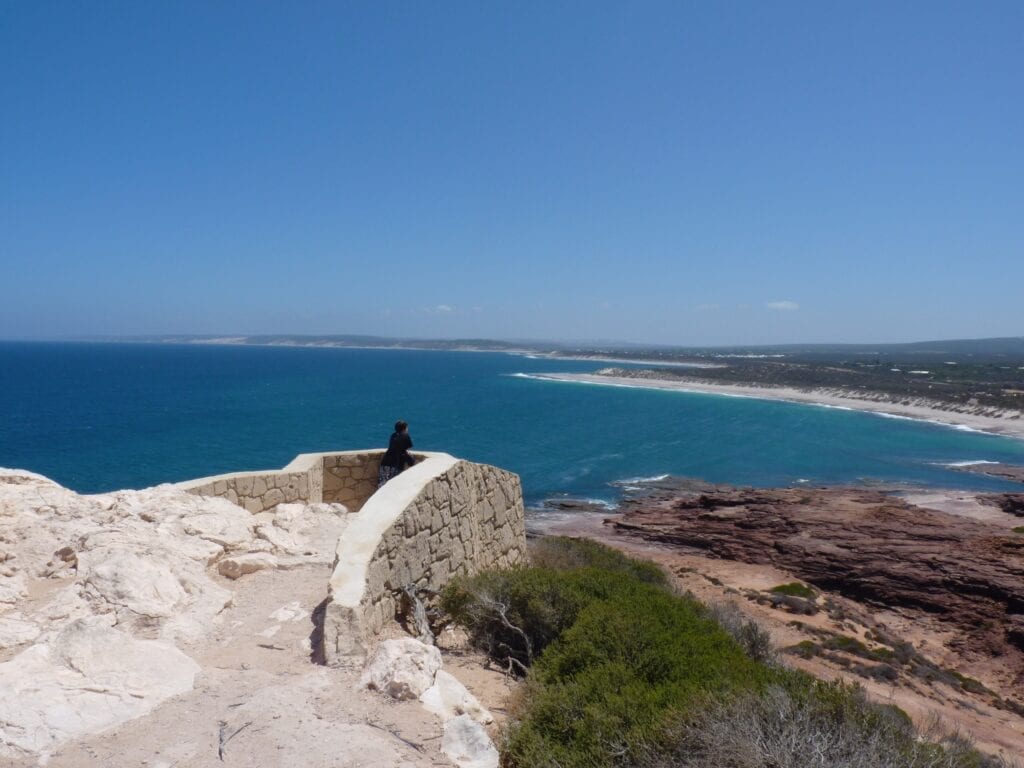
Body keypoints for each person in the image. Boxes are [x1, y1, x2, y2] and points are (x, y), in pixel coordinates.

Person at [378, 420, 416, 487]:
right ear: (404, 428)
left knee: (383, 486)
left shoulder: (393, 435)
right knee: (394, 486)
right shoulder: (405, 435)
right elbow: (406, 449)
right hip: (395, 465)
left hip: (385, 463)